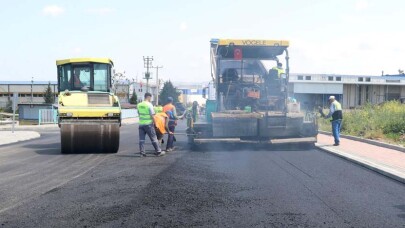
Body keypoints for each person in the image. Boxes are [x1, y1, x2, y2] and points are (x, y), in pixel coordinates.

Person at [137, 93, 165, 157]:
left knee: (141, 140)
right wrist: (156, 124)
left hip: (141, 124)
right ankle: (158, 151)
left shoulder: (139, 105)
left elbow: (139, 113)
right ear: (149, 97)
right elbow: (153, 115)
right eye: (150, 98)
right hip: (148, 124)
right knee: (154, 138)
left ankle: (142, 153)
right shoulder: (149, 105)